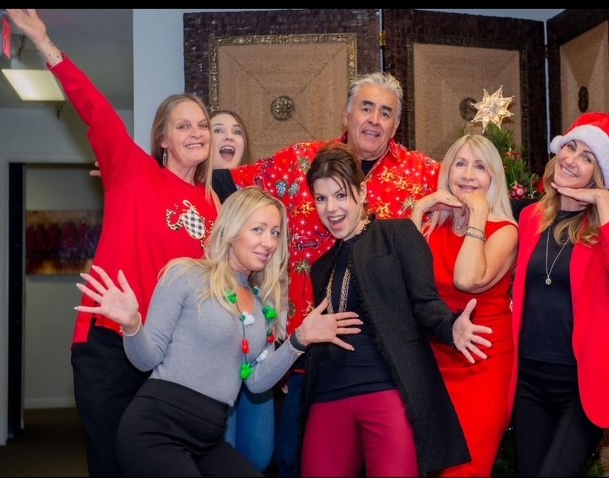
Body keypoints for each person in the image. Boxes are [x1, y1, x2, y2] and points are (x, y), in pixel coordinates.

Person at [6, 9, 221, 477]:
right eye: (183, 125)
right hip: (107, 345)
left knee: (155, 464)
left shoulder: (213, 208)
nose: (197, 133)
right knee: (111, 463)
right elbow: (95, 109)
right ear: (162, 139)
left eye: (203, 125)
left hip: (166, 355)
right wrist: (43, 42)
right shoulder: (132, 171)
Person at [211, 71, 440, 476]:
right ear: (346, 114)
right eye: (366, 108)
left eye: (385, 113)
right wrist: (152, 179)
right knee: (289, 460)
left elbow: (482, 186)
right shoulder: (300, 160)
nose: (374, 120)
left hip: (384, 365)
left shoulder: (422, 174)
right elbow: (226, 185)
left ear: (395, 126)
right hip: (304, 356)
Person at [73, 186, 363, 476]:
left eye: (275, 233)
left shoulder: (261, 307)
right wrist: (132, 324)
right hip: (155, 432)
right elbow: (145, 360)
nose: (268, 242)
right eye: (258, 229)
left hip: (207, 441)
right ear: (232, 230)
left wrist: (299, 340)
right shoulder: (186, 274)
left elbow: (257, 382)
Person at [298, 143, 493, 476]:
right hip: (328, 395)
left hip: (387, 391)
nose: (331, 208)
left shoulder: (399, 234)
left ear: (361, 192)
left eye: (340, 195)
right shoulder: (321, 268)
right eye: (321, 198)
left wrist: (451, 327)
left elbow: (425, 303)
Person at [509, 112, 609, 476]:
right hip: (529, 379)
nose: (572, 159)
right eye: (570, 147)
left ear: (598, 175)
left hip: (582, 382)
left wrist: (601, 199)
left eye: (587, 157)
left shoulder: (608, 224)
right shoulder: (530, 217)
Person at [411, 134, 518, 476]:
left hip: (482, 366)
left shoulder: (505, 231)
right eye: (460, 164)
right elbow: (403, 278)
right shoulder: (433, 228)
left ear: (493, 178)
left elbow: (467, 279)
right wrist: (419, 211)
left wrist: (478, 215)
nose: (468, 174)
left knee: (466, 469)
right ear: (447, 172)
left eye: (480, 166)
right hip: (434, 364)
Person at [209, 109, 276, 473]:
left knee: (259, 453)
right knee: (223, 452)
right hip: (217, 347)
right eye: (218, 130)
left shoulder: (261, 197)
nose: (228, 137)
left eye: (236, 131)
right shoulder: (195, 198)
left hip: (257, 343)